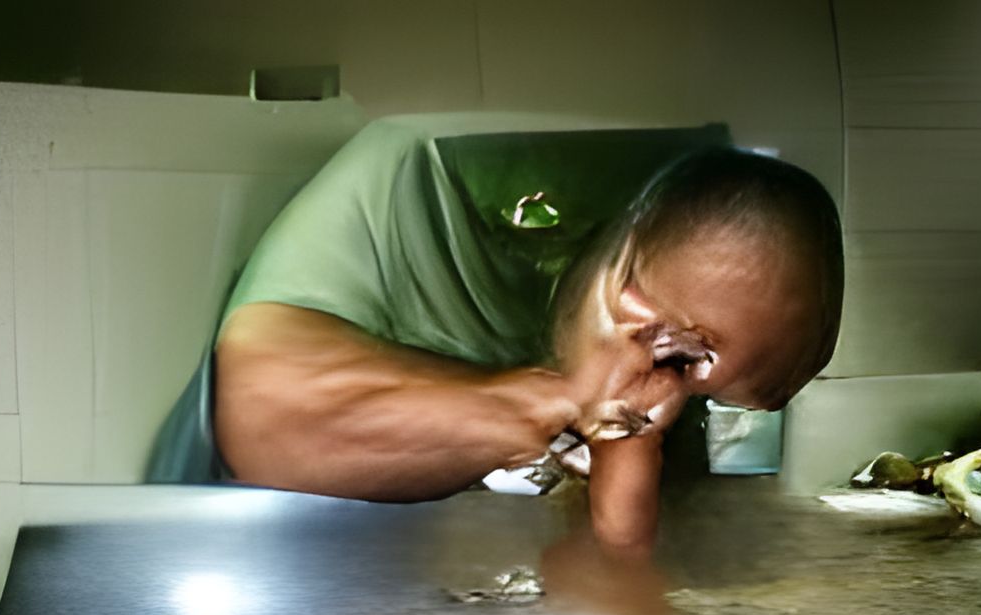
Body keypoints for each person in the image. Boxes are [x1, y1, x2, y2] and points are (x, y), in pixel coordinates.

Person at [150, 116, 843, 553]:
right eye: (681, 364)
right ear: (632, 299)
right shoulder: (412, 173)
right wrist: (551, 406)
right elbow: (259, 421)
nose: (665, 407)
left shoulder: (694, 194)